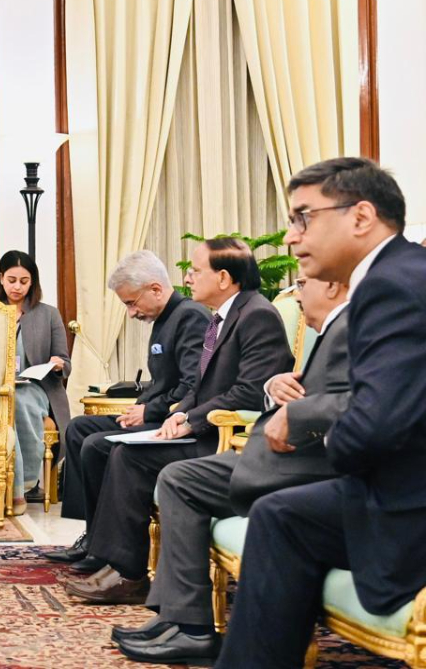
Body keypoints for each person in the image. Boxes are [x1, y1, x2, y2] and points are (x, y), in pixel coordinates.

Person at [217, 158, 426, 668]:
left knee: (281, 513)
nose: (291, 237)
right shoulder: (403, 274)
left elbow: (375, 423)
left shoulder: (391, 284)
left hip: (409, 501)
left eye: (303, 217)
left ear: (360, 217)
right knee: (282, 512)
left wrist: (329, 444)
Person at [115, 275, 350, 665]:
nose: (294, 293)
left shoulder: (323, 322)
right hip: (280, 451)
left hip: (304, 461)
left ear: (333, 286)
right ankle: (180, 619)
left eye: (304, 282)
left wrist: (296, 412)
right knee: (174, 477)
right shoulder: (328, 328)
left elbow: (358, 403)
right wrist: (276, 385)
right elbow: (291, 386)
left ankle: (189, 627)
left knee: (177, 477)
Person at [64, 238, 292, 603]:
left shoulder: (256, 315)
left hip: (221, 437)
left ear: (222, 277)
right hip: (200, 425)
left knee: (127, 455)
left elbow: (249, 392)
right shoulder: (224, 317)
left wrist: (190, 418)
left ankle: (128, 573)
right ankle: (114, 561)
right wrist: (182, 411)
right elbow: (198, 385)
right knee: (120, 448)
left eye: (196, 270)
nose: (188, 278)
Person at [44, 250, 209, 565]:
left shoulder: (189, 317)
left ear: (156, 289)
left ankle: (105, 545)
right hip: (156, 413)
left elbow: (191, 387)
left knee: (95, 444)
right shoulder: (165, 321)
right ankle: (93, 534)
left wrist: (149, 411)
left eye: (132, 303)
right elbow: (163, 380)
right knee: (78, 428)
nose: (131, 313)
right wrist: (141, 405)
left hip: (172, 422)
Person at [0, 250, 70, 512]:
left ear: (33, 282)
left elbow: (64, 361)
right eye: (11, 280)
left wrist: (58, 364)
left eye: (24, 281)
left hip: (35, 387)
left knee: (18, 401)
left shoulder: (48, 314)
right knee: (1, 401)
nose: (17, 287)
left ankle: (22, 486)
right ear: (1, 278)